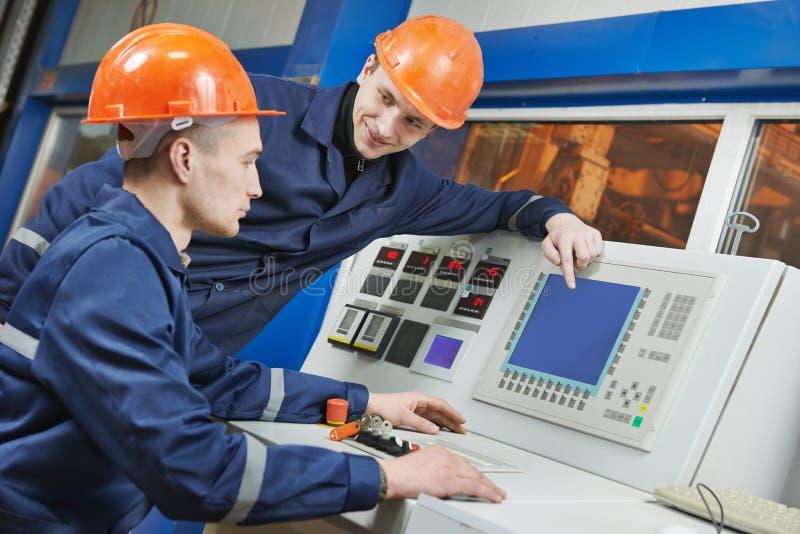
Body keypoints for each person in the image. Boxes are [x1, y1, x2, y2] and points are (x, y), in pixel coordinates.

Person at [0, 24, 505, 533]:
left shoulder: (148, 272)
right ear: (184, 158)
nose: (260, 186)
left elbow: (217, 378)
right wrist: (384, 475)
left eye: (414, 121)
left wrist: (368, 402)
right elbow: (197, 472)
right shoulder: (114, 275)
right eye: (249, 162)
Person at [0, 15, 603, 358]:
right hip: (84, 330)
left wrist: (557, 219)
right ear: (368, 70)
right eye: (386, 100)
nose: (387, 128)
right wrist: (7, 304)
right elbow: (102, 184)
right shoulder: (255, 107)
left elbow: (498, 207)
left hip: (185, 368)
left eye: (413, 122)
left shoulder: (406, 191)